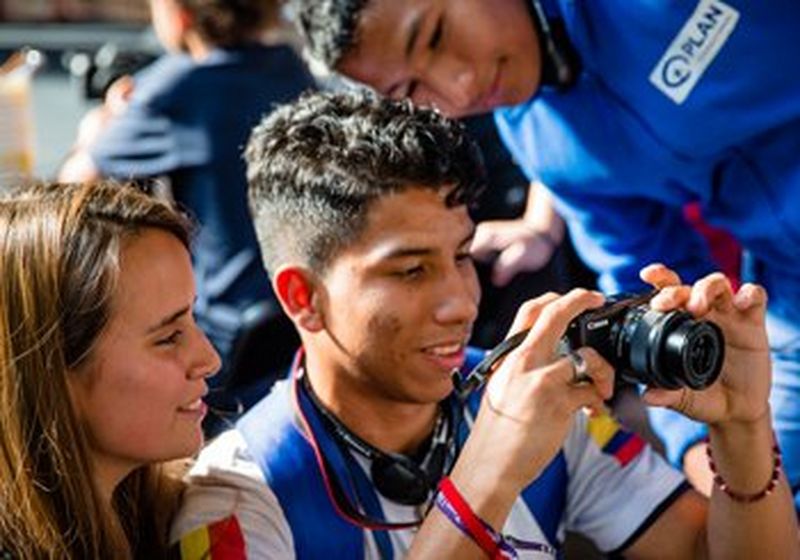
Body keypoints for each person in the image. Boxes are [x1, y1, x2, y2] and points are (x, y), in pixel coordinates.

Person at [169, 90, 796, 559]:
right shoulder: (232, 497)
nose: (459, 303)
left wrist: (742, 425)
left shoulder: (536, 402)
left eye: (463, 255)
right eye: (411, 271)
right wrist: (487, 474)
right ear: (303, 297)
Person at [287, 0, 800, 504]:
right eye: (412, 90)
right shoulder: (540, 141)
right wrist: (695, 438)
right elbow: (654, 280)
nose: (458, 87)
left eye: (437, 34)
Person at [59, 0, 315, 425]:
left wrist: (98, 128)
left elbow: (72, 194)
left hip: (225, 331)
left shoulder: (179, 88)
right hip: (292, 318)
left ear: (179, 14)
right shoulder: (292, 70)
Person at [0, 181, 220, 558]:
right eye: (168, 337)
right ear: (51, 370)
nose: (209, 359)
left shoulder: (194, 510)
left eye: (193, 318)